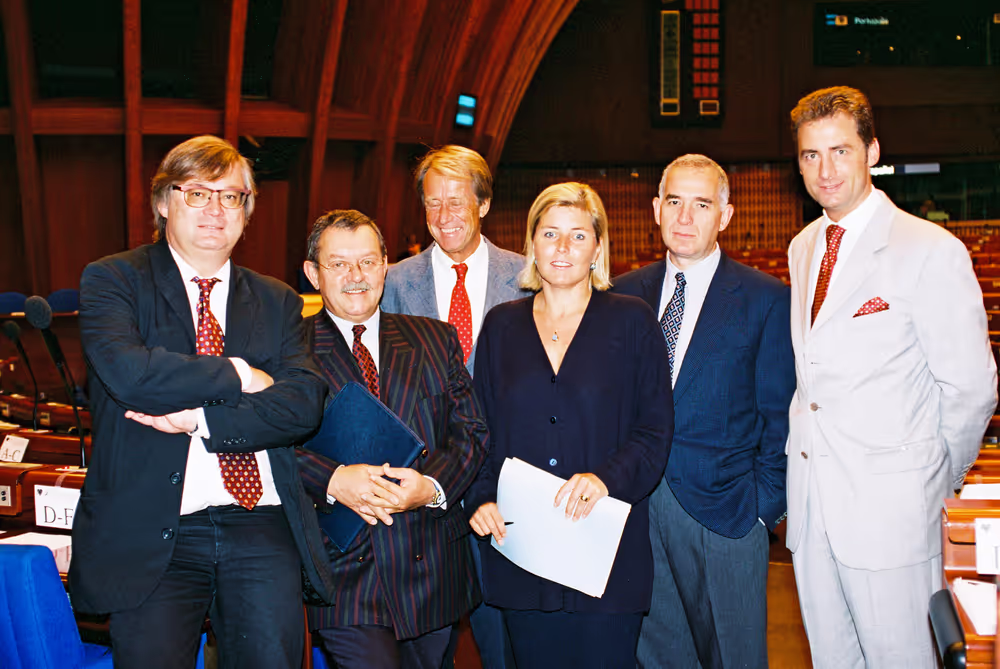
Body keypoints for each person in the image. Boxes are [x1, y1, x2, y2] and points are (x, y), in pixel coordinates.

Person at [69, 135, 334, 669]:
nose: (216, 209)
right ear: (164, 202)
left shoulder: (278, 300)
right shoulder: (113, 280)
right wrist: (241, 374)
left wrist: (199, 419)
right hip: (151, 530)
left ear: (247, 212)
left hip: (260, 522)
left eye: (231, 197)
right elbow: (132, 375)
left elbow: (303, 405)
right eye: (197, 193)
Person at [786, 86, 998, 667]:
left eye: (840, 151)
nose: (825, 170)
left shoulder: (929, 249)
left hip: (892, 513)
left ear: (872, 151)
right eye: (810, 155)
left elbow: (971, 388)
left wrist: (927, 478)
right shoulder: (804, 247)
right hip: (812, 513)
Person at [465, 182, 673, 669]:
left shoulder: (632, 320)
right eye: (551, 234)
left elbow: (655, 429)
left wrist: (607, 478)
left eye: (578, 236)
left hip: (604, 550)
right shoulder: (501, 325)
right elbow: (478, 429)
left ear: (598, 246)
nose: (563, 248)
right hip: (522, 550)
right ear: (531, 243)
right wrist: (479, 498)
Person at [615, 154, 795, 669]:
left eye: (701, 204)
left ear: (726, 215)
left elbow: (779, 419)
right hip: (639, 512)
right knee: (656, 658)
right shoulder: (625, 295)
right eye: (675, 201)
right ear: (655, 209)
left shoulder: (764, 299)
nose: (686, 217)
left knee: (732, 658)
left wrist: (759, 513)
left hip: (727, 516)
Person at [296, 209, 488, 669]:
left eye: (366, 262)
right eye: (338, 264)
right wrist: (334, 478)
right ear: (312, 273)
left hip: (429, 564)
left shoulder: (434, 339)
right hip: (342, 566)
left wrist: (432, 488)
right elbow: (269, 443)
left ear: (386, 265)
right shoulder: (290, 350)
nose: (355, 277)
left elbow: (471, 432)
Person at [380, 144, 529, 668]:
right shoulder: (394, 282)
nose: (443, 217)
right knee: (429, 652)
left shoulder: (529, 278)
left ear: (483, 204)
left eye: (456, 202)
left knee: (508, 646)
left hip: (508, 495)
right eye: (432, 204)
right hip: (427, 498)